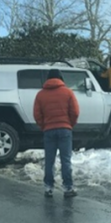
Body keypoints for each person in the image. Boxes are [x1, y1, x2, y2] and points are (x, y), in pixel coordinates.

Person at [33, 69, 80, 198]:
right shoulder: (68, 92)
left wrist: (44, 126)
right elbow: (75, 112)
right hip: (65, 129)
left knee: (49, 160)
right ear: (60, 78)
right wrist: (69, 124)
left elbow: (37, 114)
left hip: (48, 130)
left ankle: (48, 188)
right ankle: (68, 188)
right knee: (65, 160)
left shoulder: (40, 95)